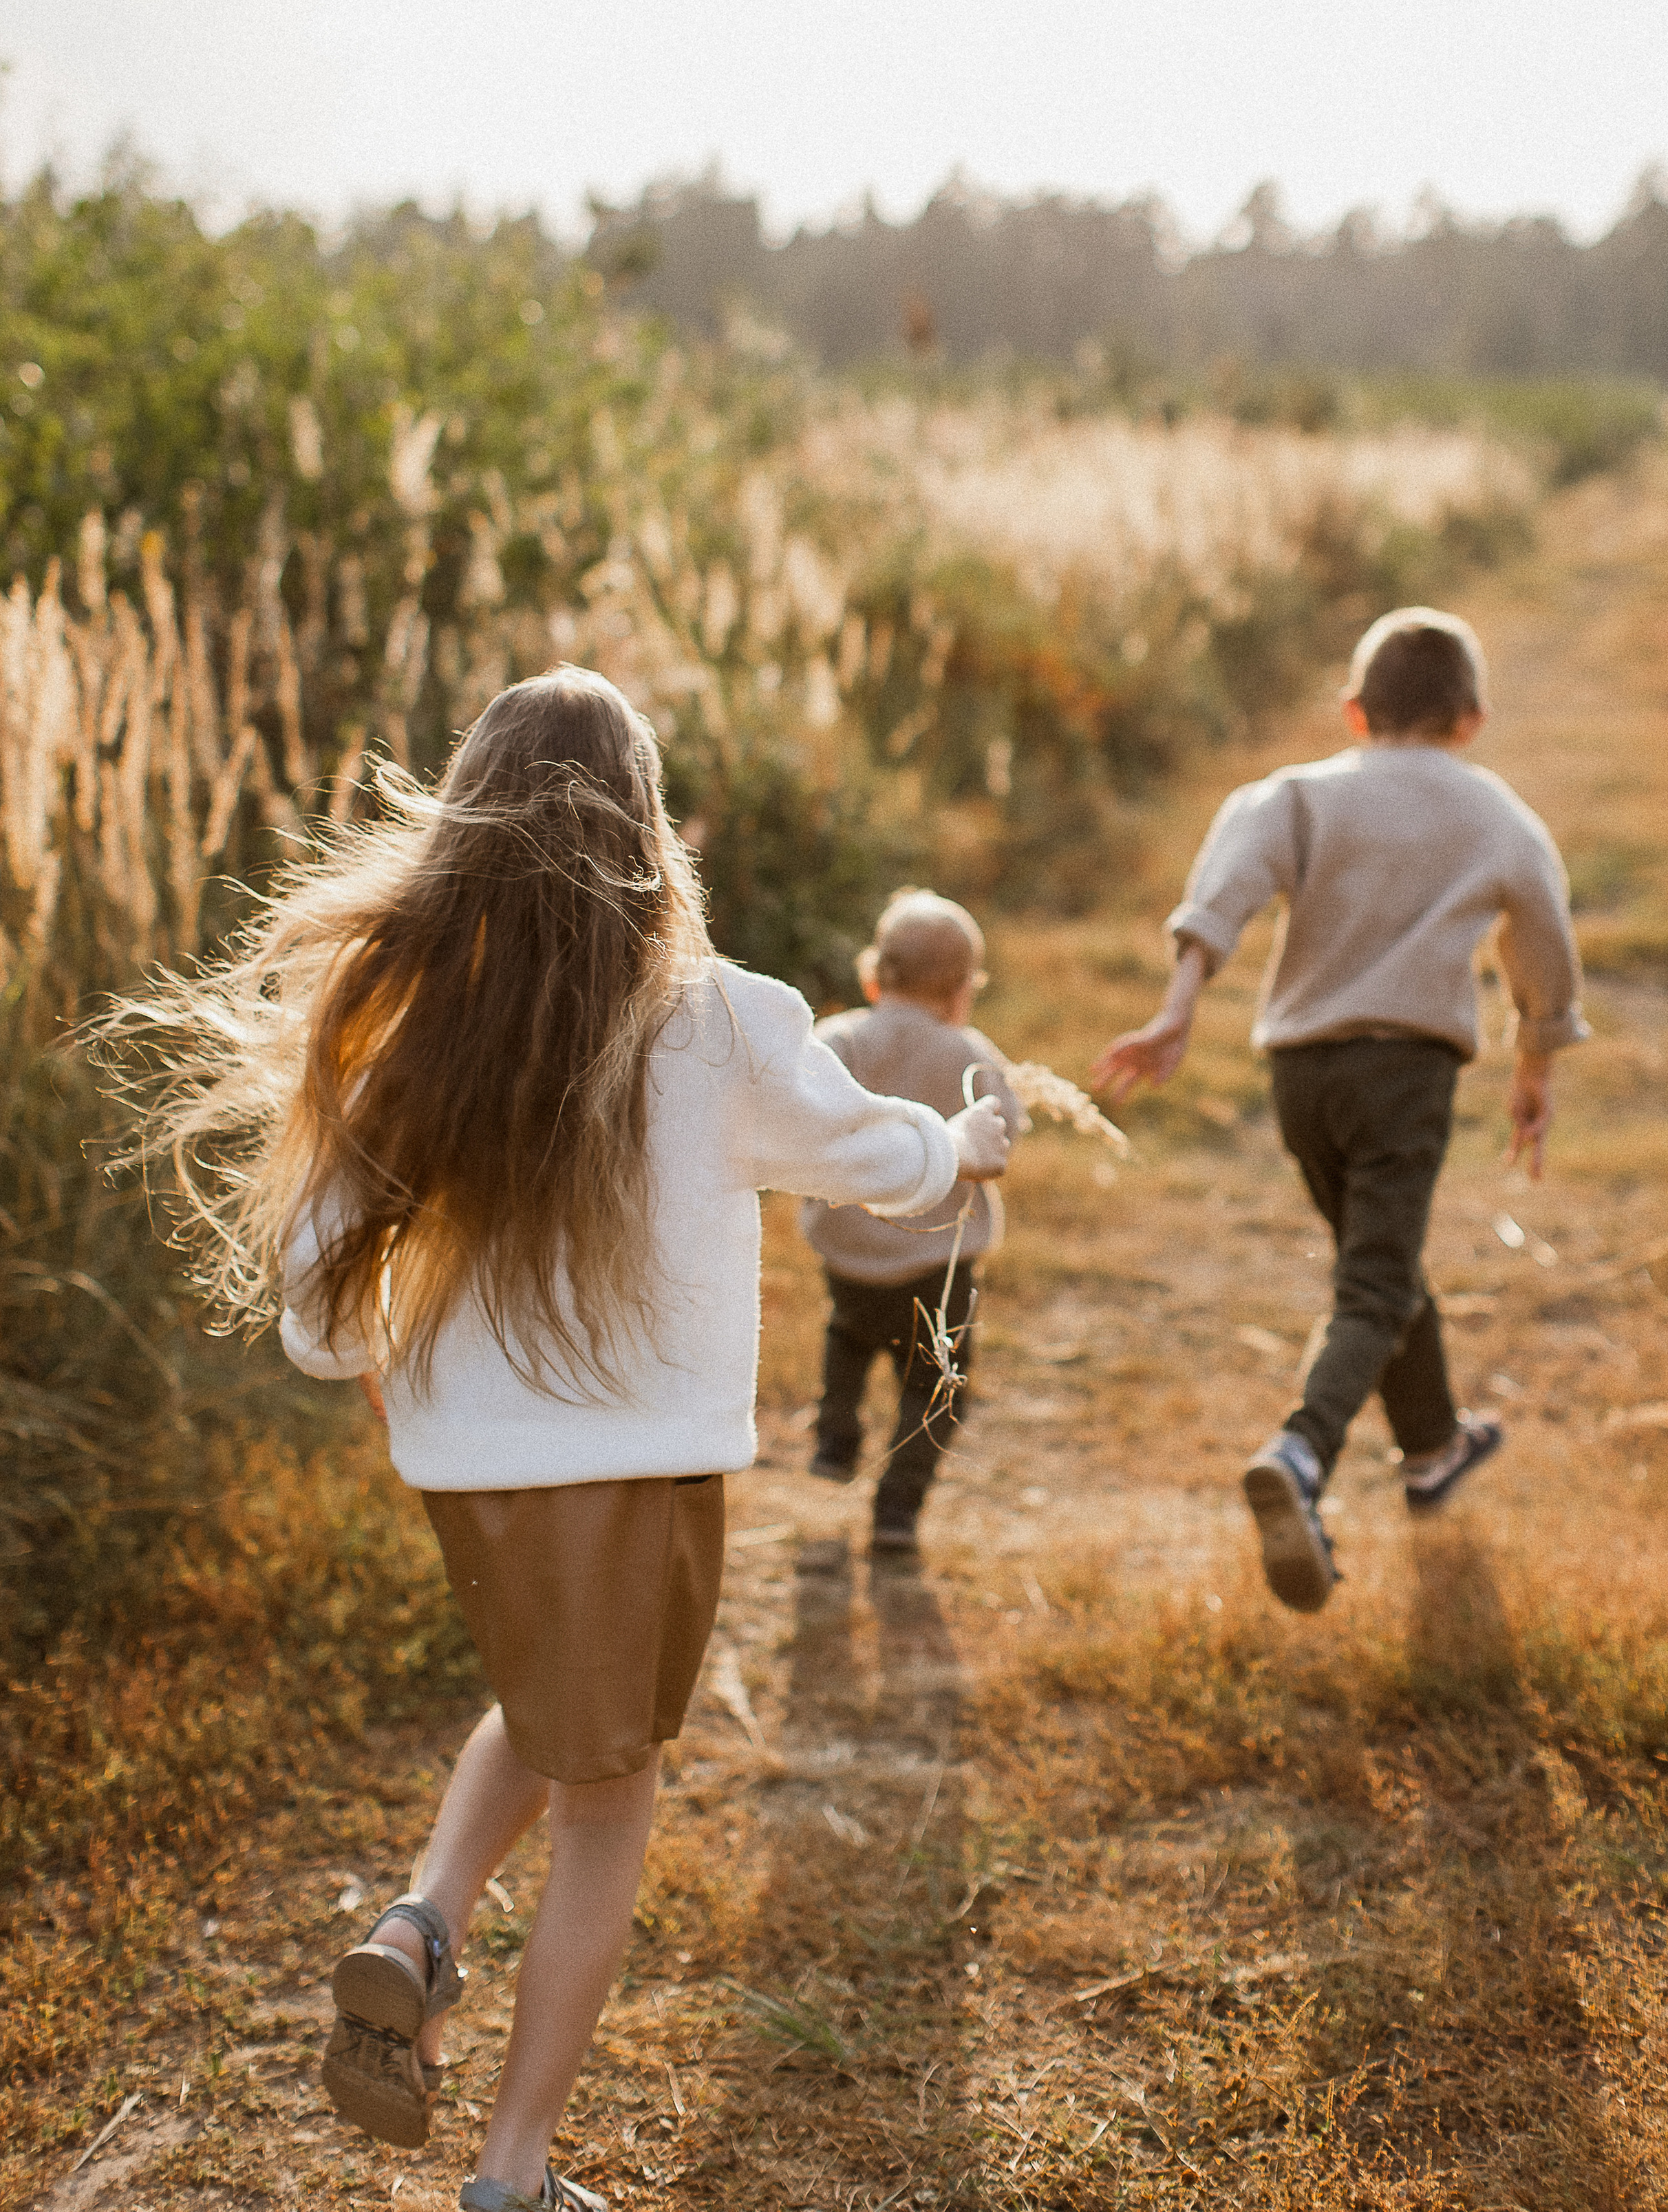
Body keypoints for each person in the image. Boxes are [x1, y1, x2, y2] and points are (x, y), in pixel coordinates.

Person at [107, 668, 1012, 2212]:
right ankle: (510, 2173)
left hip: (471, 1470)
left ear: (466, 825)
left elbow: (324, 1314)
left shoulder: (406, 1029)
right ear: (650, 831)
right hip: (636, 1468)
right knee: (612, 1787)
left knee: (547, 1703)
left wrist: (378, 1362)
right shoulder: (724, 1022)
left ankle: (419, 1925)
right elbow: (862, 1154)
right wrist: (961, 1143)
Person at [1092, 607, 1587, 1614]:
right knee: (1373, 1284)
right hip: (1404, 1074)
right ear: (1471, 718)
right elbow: (1542, 939)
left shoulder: (1292, 794)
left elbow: (1220, 895)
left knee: (1379, 1260)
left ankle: (1433, 1448)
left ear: (1356, 713)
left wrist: (1176, 1014)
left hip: (1302, 1079)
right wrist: (1536, 1059)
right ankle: (1301, 1453)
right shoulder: (1498, 815)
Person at [798, 890, 1026, 1556]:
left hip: (847, 1251)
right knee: (937, 1388)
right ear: (962, 992)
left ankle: (835, 1438)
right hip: (936, 1263)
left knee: (846, 1333)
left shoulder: (836, 1040)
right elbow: (1002, 1133)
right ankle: (896, 1511)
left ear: (873, 975)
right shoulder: (970, 1053)